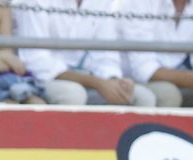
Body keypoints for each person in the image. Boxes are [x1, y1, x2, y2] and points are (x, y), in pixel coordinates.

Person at [15, 0, 157, 106]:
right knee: (73, 94)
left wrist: (113, 80)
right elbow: (36, 63)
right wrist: (98, 83)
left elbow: (107, 56)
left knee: (142, 97)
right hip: (39, 80)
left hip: (87, 80)